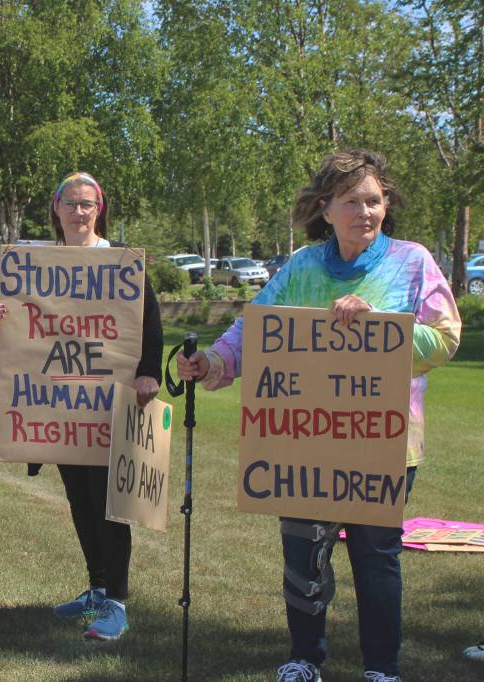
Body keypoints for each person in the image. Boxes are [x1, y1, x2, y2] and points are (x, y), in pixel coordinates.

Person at [175, 150, 461, 682]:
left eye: (374, 200)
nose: (366, 212)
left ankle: (381, 667)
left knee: (377, 559)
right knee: (303, 554)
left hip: (385, 443)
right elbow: (256, 327)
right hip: (303, 441)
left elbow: (446, 339)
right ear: (325, 208)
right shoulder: (303, 266)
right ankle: (305, 657)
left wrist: (383, 325)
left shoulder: (413, 260)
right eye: (351, 202)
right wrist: (215, 361)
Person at [0, 172, 164, 641]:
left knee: (108, 503)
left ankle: (117, 602)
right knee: (79, 502)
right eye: (71, 203)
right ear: (56, 208)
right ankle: (96, 586)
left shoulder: (120, 261)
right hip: (62, 410)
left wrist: (150, 370)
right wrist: (4, 318)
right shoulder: (37, 264)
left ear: (99, 208)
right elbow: (26, 331)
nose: (79, 211)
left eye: (87, 204)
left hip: (107, 405)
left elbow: (148, 319)